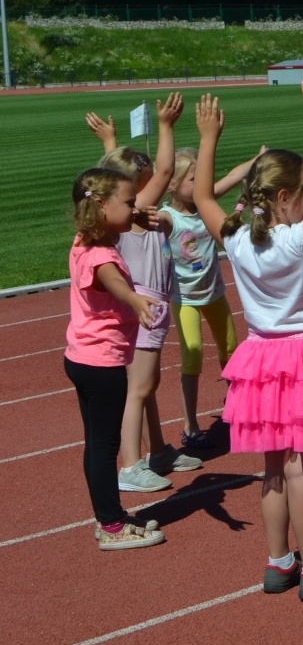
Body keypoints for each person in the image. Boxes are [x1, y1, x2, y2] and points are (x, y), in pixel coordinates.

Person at [192, 67, 303, 602]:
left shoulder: (235, 239)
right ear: (287, 195)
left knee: (272, 468)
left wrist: (208, 140)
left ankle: (279, 562)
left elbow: (202, 194)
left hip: (260, 358)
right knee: (302, 470)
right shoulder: (299, 239)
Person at [85, 94, 202, 492]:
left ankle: (158, 451)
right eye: (145, 180)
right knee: (139, 387)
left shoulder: (127, 206)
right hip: (145, 302)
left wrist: (110, 141)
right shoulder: (133, 207)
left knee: (147, 386)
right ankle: (131, 465)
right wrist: (166, 126)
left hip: (151, 299)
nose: (154, 183)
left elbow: (113, 170)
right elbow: (166, 169)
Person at [63, 166, 165, 550]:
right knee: (105, 449)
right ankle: (111, 525)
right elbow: (115, 281)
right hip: (101, 365)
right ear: (103, 207)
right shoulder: (101, 256)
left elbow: (105, 216)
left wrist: (132, 215)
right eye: (129, 202)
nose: (135, 207)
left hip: (81, 356)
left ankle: (109, 517)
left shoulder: (85, 238)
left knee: (96, 445)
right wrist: (136, 298)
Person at [162, 145, 260, 446]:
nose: (200, 183)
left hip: (214, 293)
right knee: (192, 356)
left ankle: (239, 412)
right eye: (193, 179)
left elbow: (233, 175)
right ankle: (190, 426)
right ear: (174, 185)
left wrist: (257, 159)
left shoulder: (206, 204)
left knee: (231, 352)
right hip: (185, 299)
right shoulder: (168, 218)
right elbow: (148, 221)